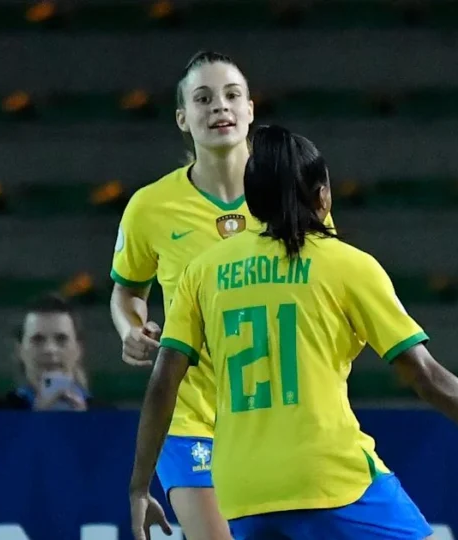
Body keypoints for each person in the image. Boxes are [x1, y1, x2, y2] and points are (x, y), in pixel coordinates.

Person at [126, 125, 458, 540]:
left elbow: (164, 382)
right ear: (322, 195)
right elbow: (427, 377)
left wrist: (141, 486)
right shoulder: (346, 264)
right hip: (329, 478)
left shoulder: (203, 271)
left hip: (242, 492)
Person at [111, 51, 335, 539]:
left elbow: (327, 284)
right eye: (203, 98)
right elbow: (126, 291)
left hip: (277, 418)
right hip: (191, 418)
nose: (220, 108)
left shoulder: (290, 193)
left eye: (232, 96)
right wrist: (132, 327)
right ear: (182, 119)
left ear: (251, 110)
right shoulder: (149, 208)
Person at [0, 293, 93, 411]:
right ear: (19, 350)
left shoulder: (108, 417)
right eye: (37, 339)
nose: (50, 349)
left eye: (61, 339)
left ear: (78, 349)